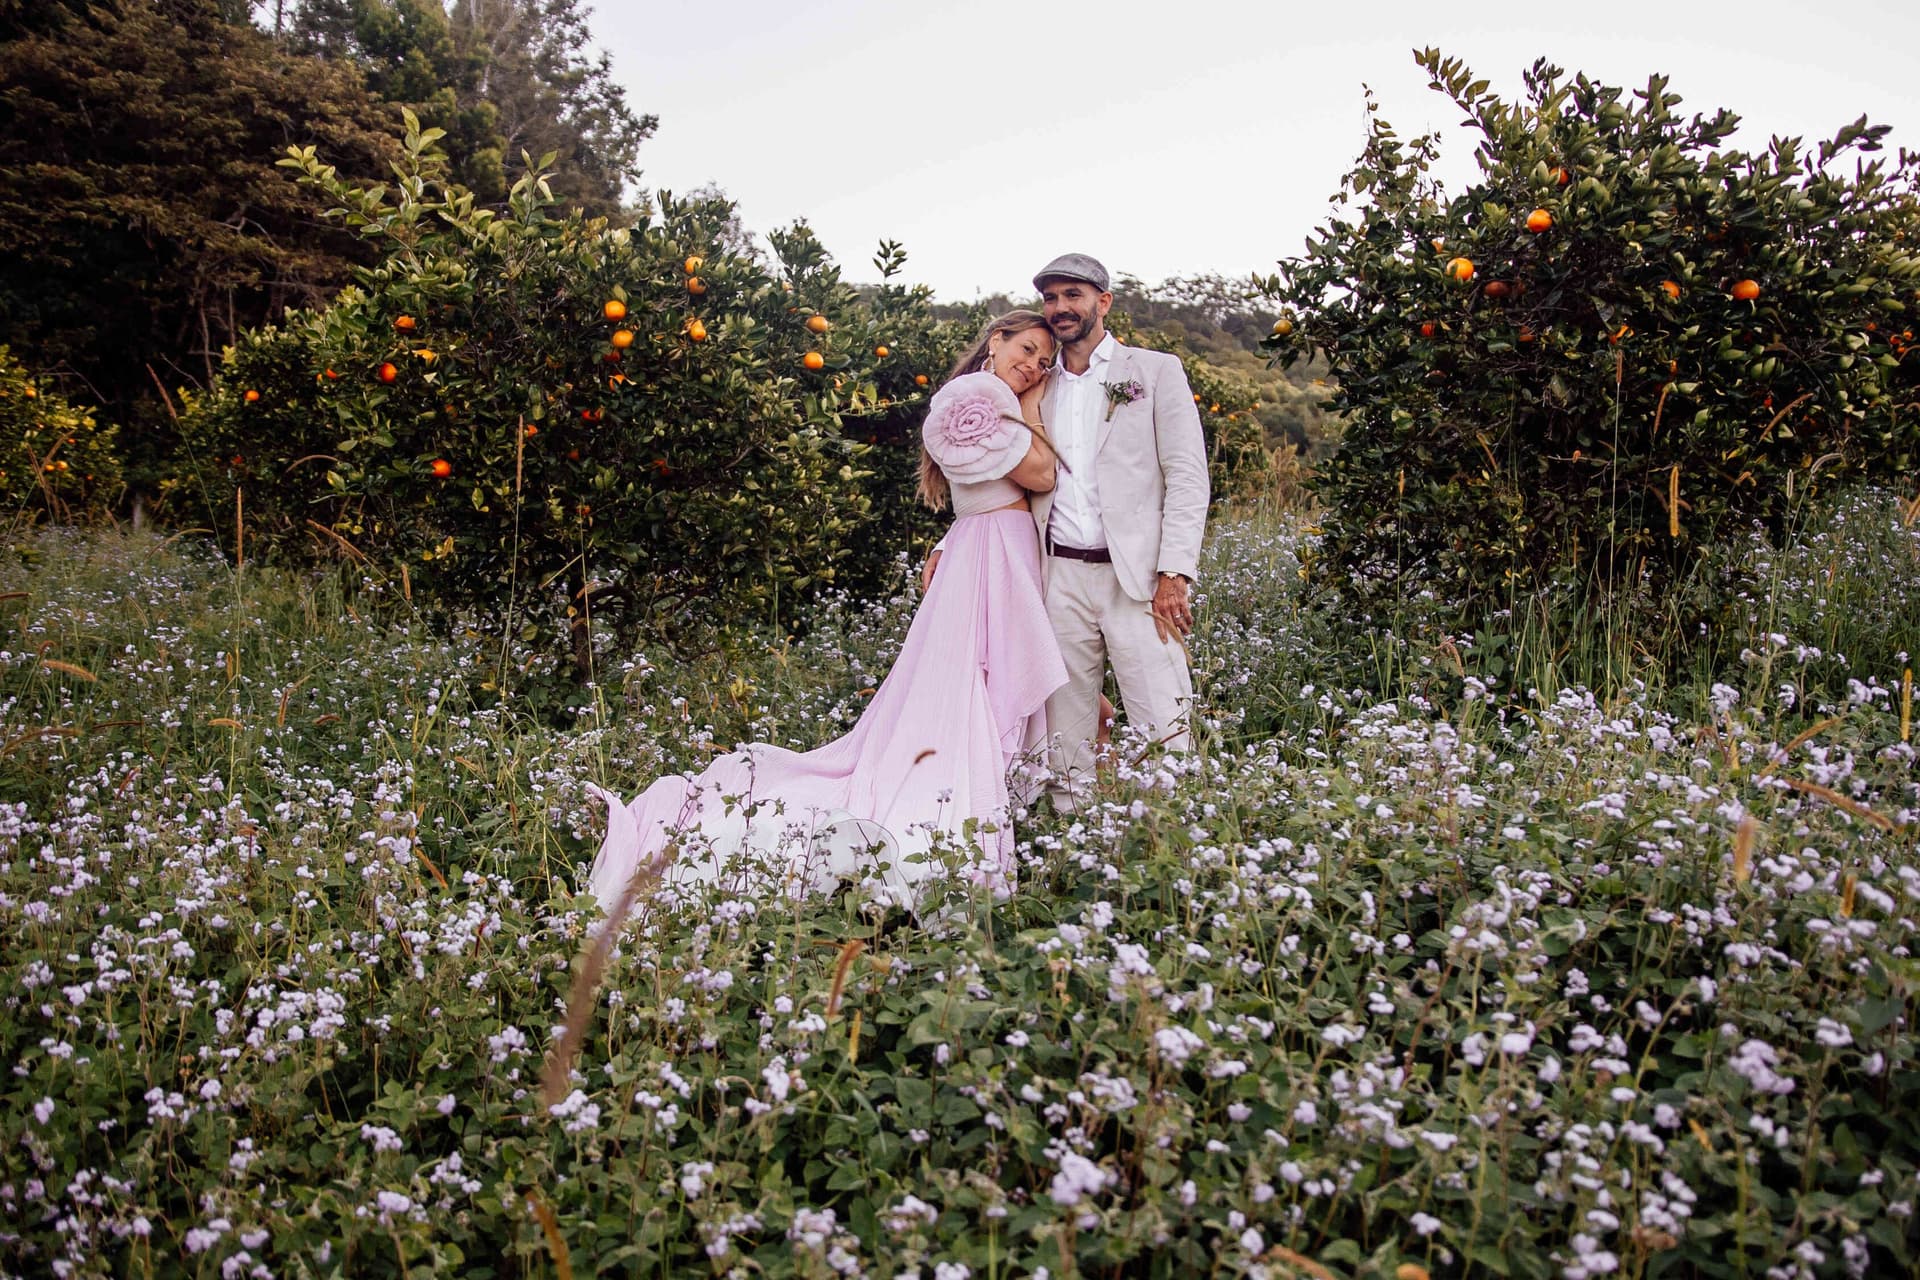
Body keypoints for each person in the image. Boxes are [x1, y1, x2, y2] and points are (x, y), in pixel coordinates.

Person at [583, 311, 1068, 912]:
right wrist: (1038, 399)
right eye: (1026, 349)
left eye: (1044, 361)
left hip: (993, 553)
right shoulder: (977, 400)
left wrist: (944, 541)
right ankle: (959, 822)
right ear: (995, 340)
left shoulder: (982, 402)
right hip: (992, 557)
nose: (1033, 366)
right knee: (965, 695)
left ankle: (1013, 806)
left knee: (981, 689)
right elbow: (1041, 472)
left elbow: (982, 495)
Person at [1028, 253, 1209, 804]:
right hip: (1056, 573)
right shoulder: (1034, 383)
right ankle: (1069, 836)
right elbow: (1001, 471)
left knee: (1162, 714)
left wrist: (1173, 573)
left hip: (1137, 578)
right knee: (1065, 723)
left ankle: (1176, 832)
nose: (1060, 308)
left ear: (1103, 302)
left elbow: (1187, 476)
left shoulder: (1154, 371)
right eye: (1051, 297)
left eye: (1072, 295)